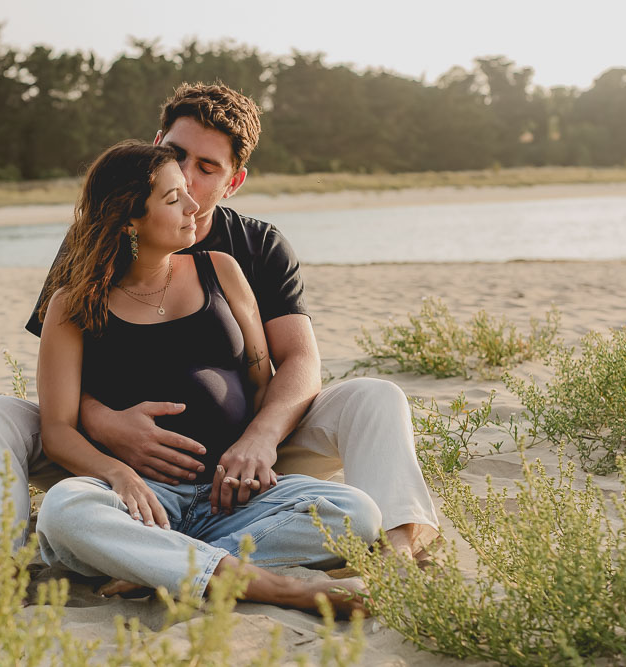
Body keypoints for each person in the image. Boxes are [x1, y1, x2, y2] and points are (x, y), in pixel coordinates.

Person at [0, 82, 438, 601]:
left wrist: (259, 438)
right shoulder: (94, 242)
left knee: (376, 399)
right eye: (176, 156)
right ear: (156, 146)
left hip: (245, 460)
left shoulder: (253, 249)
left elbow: (292, 363)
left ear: (234, 182)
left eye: (207, 167)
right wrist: (103, 422)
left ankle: (397, 552)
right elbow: (63, 388)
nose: (186, 176)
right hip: (115, 459)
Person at [30, 140, 380, 613]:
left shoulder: (222, 270)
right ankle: (280, 588)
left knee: (357, 513)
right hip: (143, 500)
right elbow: (56, 431)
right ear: (128, 218)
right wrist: (121, 476)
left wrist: (254, 453)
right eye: (174, 199)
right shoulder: (71, 306)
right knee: (64, 511)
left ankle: (158, 566)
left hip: (232, 496)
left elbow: (260, 382)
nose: (194, 205)